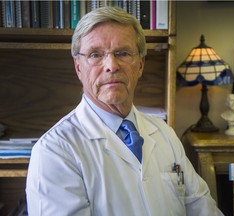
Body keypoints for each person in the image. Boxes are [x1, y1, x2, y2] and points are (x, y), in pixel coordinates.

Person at [26, 6, 223, 216]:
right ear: (78, 68)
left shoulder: (164, 133)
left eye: (123, 53)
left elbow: (201, 207)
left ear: (140, 65)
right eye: (95, 54)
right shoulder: (55, 151)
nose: (111, 65)